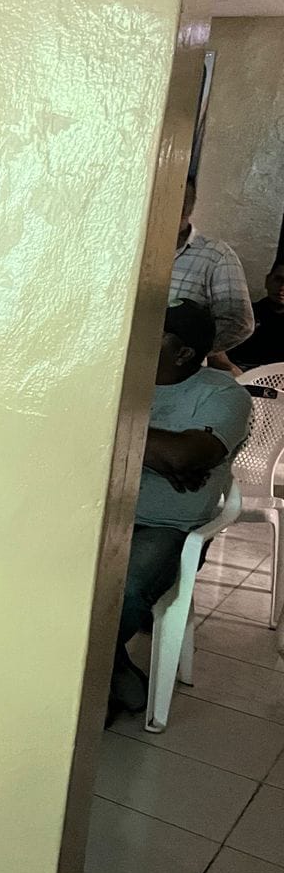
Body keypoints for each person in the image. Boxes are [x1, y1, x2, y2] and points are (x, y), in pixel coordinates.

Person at [112, 299, 254, 717]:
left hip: (167, 527)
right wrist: (162, 456)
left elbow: (187, 456)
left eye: (155, 335)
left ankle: (88, 681)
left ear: (183, 353)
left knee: (125, 588)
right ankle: (113, 672)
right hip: (99, 514)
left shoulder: (223, 394)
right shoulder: (121, 379)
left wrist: (118, 435)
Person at [171, 179, 253, 370]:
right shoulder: (131, 247)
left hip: (179, 373)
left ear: (187, 211)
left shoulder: (215, 256)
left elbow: (238, 323)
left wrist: (188, 351)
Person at [226, 259, 284, 370]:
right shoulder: (243, 314)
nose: (282, 287)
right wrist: (231, 368)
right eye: (278, 279)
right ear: (267, 280)